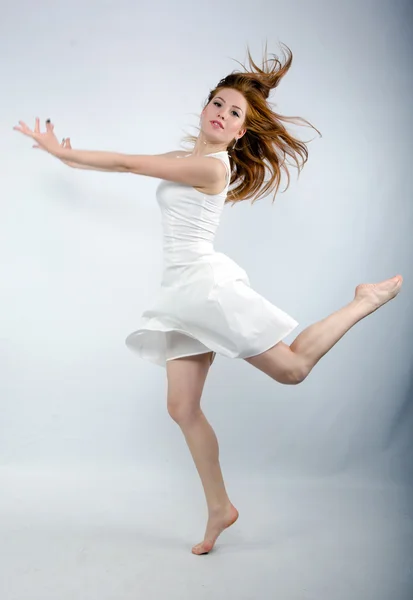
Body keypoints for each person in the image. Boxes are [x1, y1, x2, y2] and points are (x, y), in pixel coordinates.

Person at [13, 43, 403, 556]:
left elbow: (129, 164)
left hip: (203, 287)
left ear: (241, 132)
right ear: (205, 109)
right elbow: (123, 168)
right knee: (181, 406)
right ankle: (220, 507)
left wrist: (69, 154)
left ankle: (363, 300)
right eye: (217, 103)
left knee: (291, 370)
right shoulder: (184, 158)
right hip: (180, 292)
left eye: (234, 112)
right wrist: (70, 163)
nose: (222, 114)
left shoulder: (213, 168)